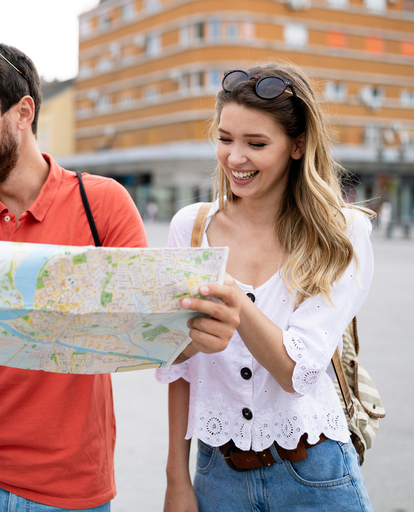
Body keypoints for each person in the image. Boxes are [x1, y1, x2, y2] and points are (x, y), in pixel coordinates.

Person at [0, 41, 241, 511]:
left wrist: (200, 334)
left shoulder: (102, 204)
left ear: (23, 113)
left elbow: (149, 335)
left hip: (74, 484)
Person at [156, 62, 374, 512]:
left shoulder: (341, 231)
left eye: (256, 143)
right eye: (224, 138)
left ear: (297, 146)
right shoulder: (190, 228)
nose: (235, 158)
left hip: (316, 475)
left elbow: (299, 372)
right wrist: (176, 478)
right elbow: (176, 369)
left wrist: (233, 300)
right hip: (217, 476)